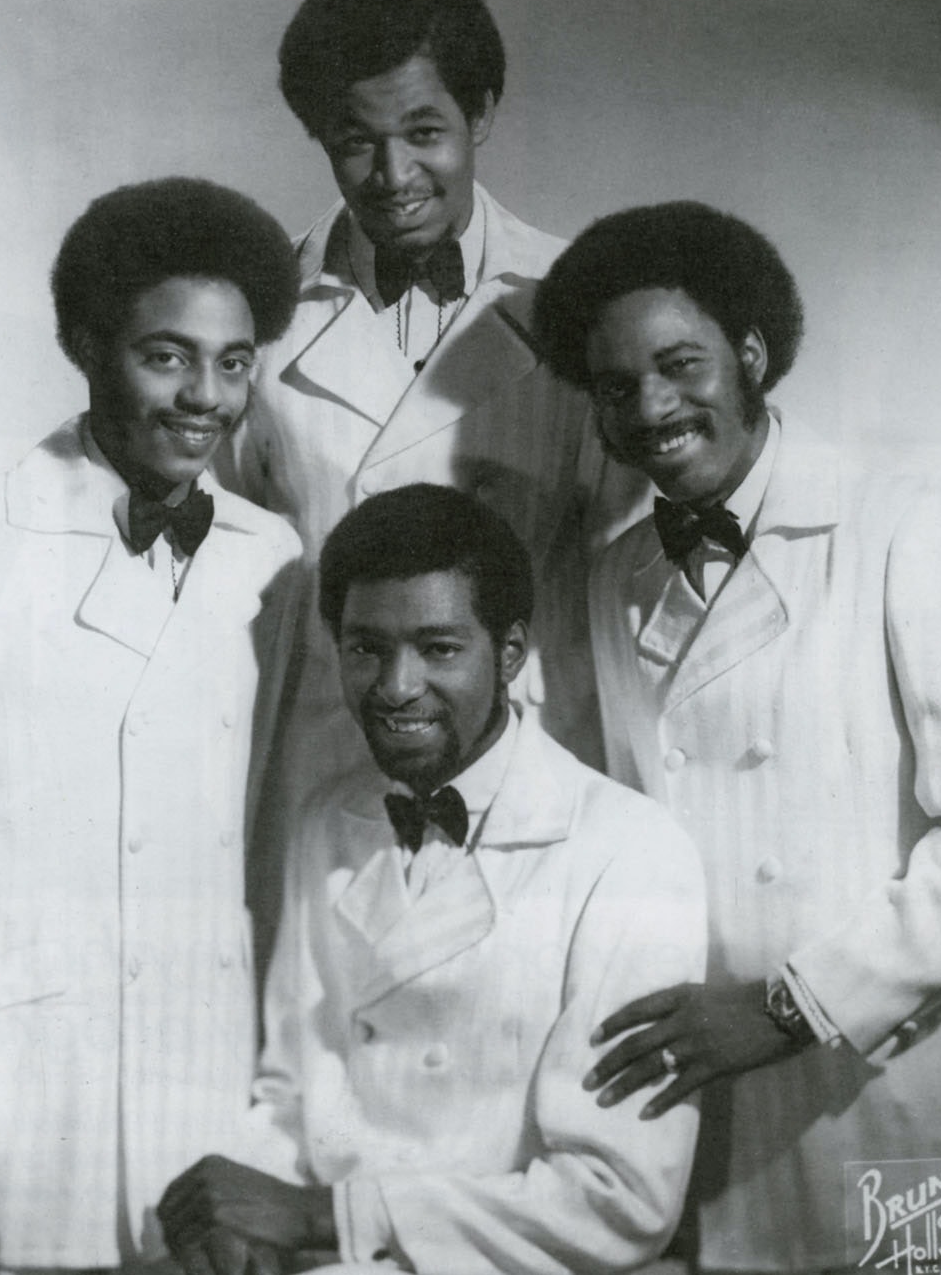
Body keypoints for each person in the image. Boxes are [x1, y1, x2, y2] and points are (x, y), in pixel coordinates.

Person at [531, 201, 941, 1273]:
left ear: (751, 354)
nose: (651, 407)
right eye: (616, 387)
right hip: (711, 1100)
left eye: (681, 364)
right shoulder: (614, 579)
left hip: (894, 1084)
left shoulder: (903, 525)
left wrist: (790, 1007)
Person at [0, 177, 303, 1274]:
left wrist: (275, 1142)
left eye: (234, 362)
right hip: (21, 1126)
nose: (206, 396)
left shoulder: (270, 557)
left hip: (211, 1118)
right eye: (167, 356)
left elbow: (280, 860)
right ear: (87, 346)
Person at [157, 484, 706, 1275]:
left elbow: (619, 1203)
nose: (396, 687)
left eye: (439, 648)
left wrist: (323, 1218)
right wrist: (239, 1229)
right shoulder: (326, 819)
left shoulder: (630, 851)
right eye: (366, 648)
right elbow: (289, 1096)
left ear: (510, 653)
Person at [229, 0, 646, 956]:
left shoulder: (576, 302)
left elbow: (630, 565)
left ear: (482, 112)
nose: (393, 176)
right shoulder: (255, 316)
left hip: (530, 769)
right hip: (327, 769)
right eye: (355, 142)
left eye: (424, 132)